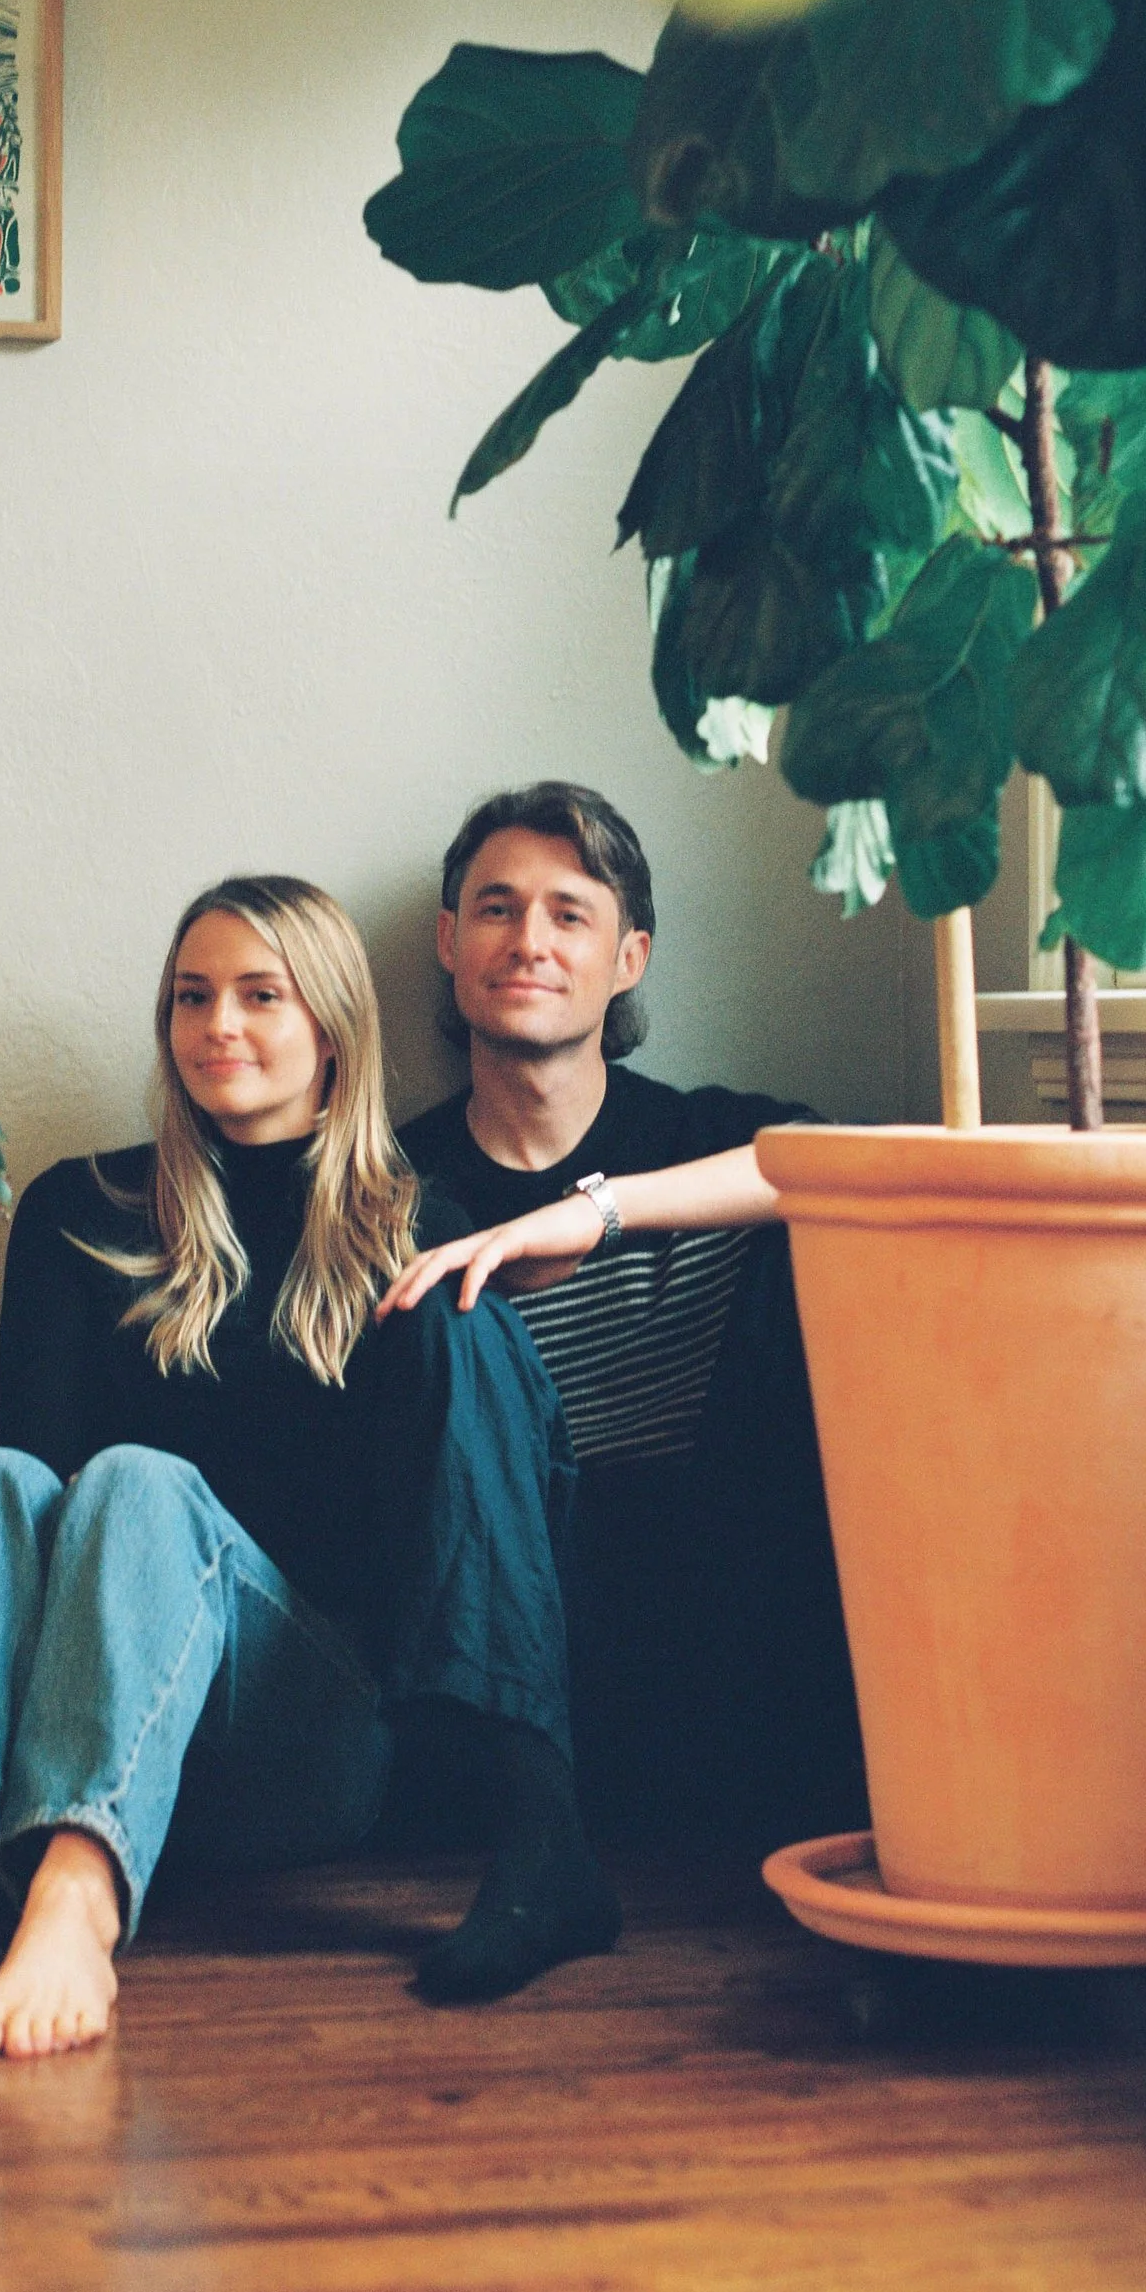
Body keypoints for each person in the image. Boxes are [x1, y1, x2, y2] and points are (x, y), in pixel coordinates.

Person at [0, 873, 618, 2058]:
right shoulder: (77, 1210)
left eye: (262, 995)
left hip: (301, 1743)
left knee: (141, 1482)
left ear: (330, 1030)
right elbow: (28, 1516)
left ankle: (76, 1907)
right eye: (190, 996)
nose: (219, 1025)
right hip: (76, 1733)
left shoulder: (413, 1226)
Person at [386, 783, 865, 1854]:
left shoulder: (707, 1139)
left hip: (727, 1618)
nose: (529, 941)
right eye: (498, 908)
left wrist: (597, 1214)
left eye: (570, 913)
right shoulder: (388, 1183)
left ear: (628, 958)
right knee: (443, 1324)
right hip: (520, 1645)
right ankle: (534, 1823)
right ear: (450, 942)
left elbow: (837, 1169)